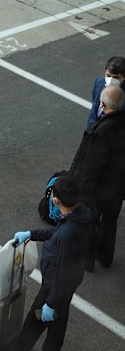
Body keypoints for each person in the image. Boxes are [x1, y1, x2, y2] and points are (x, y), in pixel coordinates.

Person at [9, 176, 94, 351]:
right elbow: (57, 232)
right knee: (58, 322)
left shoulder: (67, 234)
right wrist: (32, 234)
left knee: (32, 327)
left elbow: (63, 271)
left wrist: (51, 303)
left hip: (53, 287)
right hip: (67, 284)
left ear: (55, 200)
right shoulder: (80, 214)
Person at [70, 85, 125, 270]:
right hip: (117, 189)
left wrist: (81, 189)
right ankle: (106, 258)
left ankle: (88, 261)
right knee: (110, 224)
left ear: (102, 103)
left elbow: (91, 166)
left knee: (91, 223)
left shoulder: (101, 131)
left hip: (98, 189)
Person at [85, 56, 125, 130]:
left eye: (116, 78)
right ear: (105, 70)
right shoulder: (99, 82)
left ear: (124, 77)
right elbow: (95, 105)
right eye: (108, 75)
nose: (110, 80)